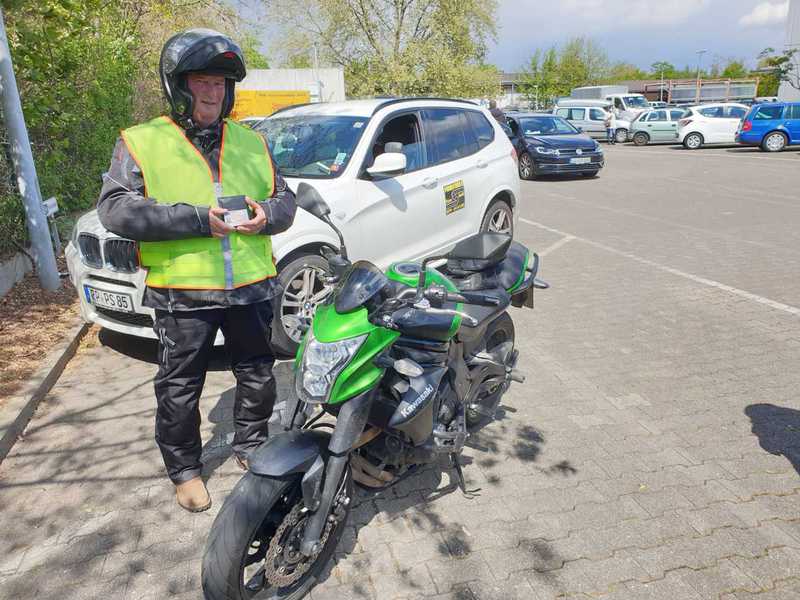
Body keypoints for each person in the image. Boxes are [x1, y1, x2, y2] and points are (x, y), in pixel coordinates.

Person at [97, 29, 296, 512]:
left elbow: (285, 201)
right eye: (203, 81)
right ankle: (185, 468)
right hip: (182, 292)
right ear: (179, 86)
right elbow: (115, 209)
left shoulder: (252, 141)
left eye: (220, 84)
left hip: (250, 284)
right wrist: (196, 220)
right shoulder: (142, 141)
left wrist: (266, 215)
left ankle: (251, 443)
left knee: (257, 373)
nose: (212, 92)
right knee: (180, 387)